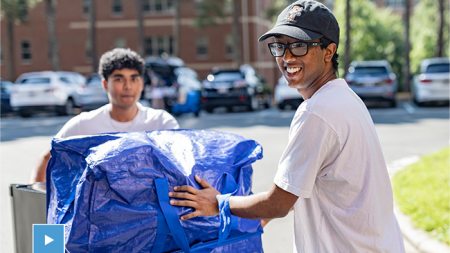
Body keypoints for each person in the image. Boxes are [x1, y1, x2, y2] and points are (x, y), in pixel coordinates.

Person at [169, 1, 405, 252]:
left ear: (328, 51)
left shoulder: (317, 112)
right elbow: (307, 185)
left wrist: (218, 203)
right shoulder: (344, 98)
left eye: (300, 46)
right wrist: (259, 215)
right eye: (280, 46)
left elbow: (278, 203)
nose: (287, 57)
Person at [32, 48, 179, 182]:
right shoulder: (84, 124)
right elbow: (48, 158)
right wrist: (36, 201)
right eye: (119, 79)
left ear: (141, 84)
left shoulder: (161, 122)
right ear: (104, 84)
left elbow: (182, 164)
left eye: (134, 79)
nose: (128, 86)